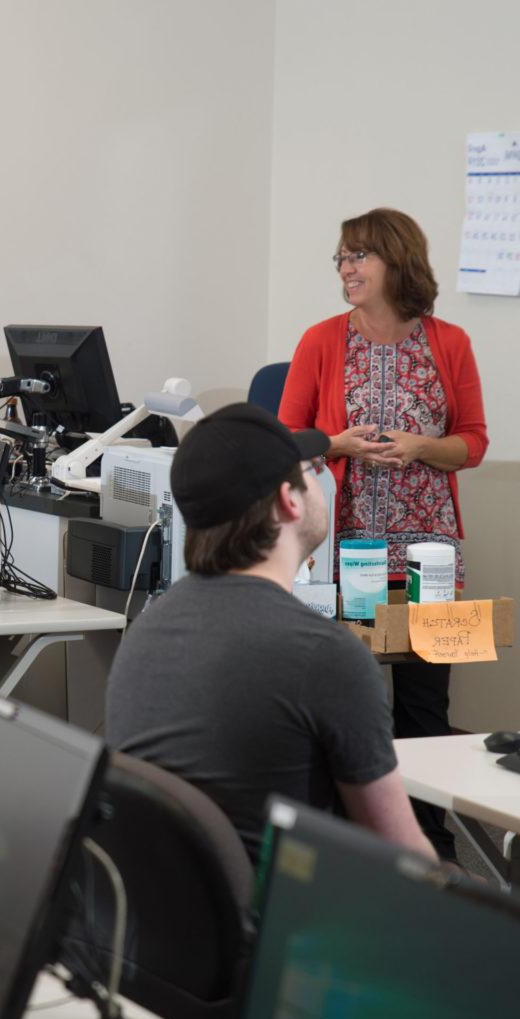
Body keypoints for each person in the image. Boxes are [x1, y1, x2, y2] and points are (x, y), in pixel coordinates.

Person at [105, 402, 436, 864]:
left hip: (163, 925)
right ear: (290, 499)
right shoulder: (324, 655)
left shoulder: (147, 631)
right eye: (310, 469)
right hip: (282, 926)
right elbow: (404, 859)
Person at [278, 208, 489, 861]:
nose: (345, 268)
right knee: (352, 700)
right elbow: (283, 440)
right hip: (348, 552)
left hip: (432, 554)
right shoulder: (321, 340)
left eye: (358, 256)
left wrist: (425, 445)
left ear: (397, 260)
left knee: (427, 709)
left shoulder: (449, 342)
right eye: (340, 258)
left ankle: (434, 848)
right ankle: (354, 844)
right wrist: (338, 442)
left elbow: (474, 444)